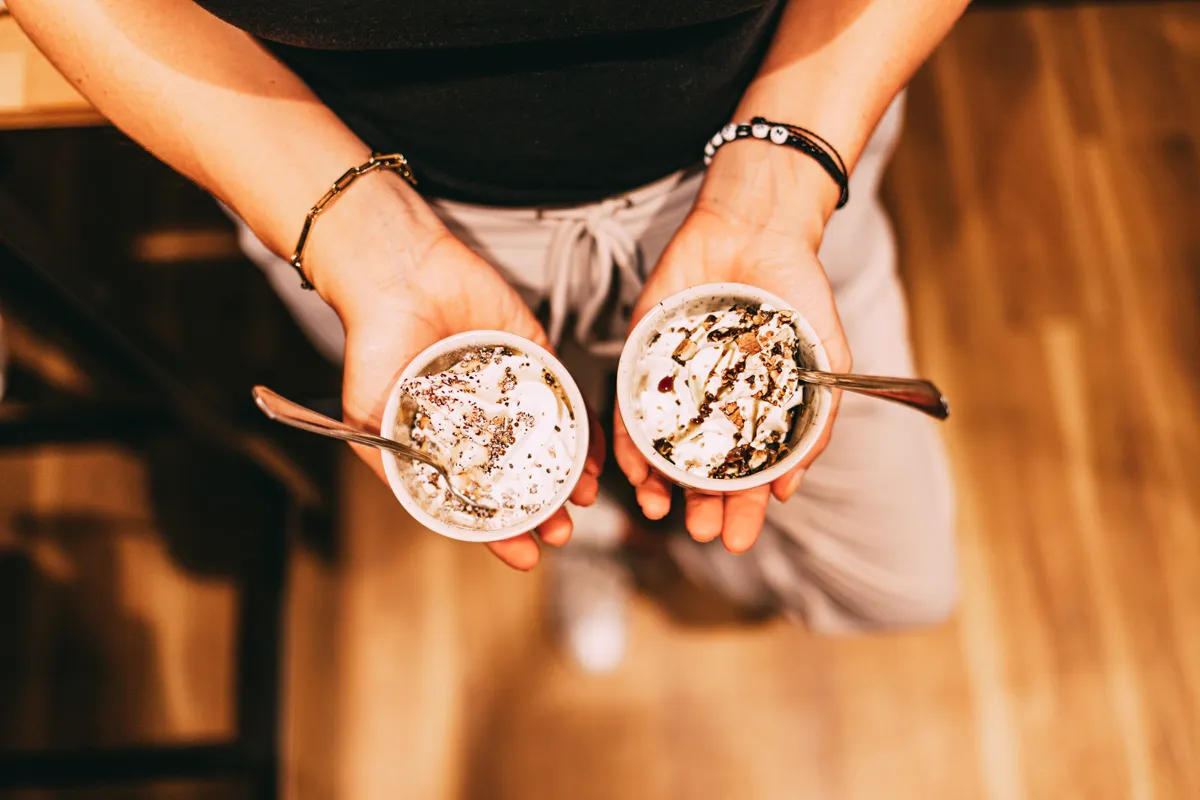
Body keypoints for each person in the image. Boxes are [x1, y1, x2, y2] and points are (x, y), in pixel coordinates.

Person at [12, 0, 963, 673]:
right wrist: (358, 239)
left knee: (898, 587)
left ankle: (645, 536)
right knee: (544, 484)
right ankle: (600, 535)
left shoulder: (775, 187)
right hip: (361, 213)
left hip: (764, 166)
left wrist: (784, 171)